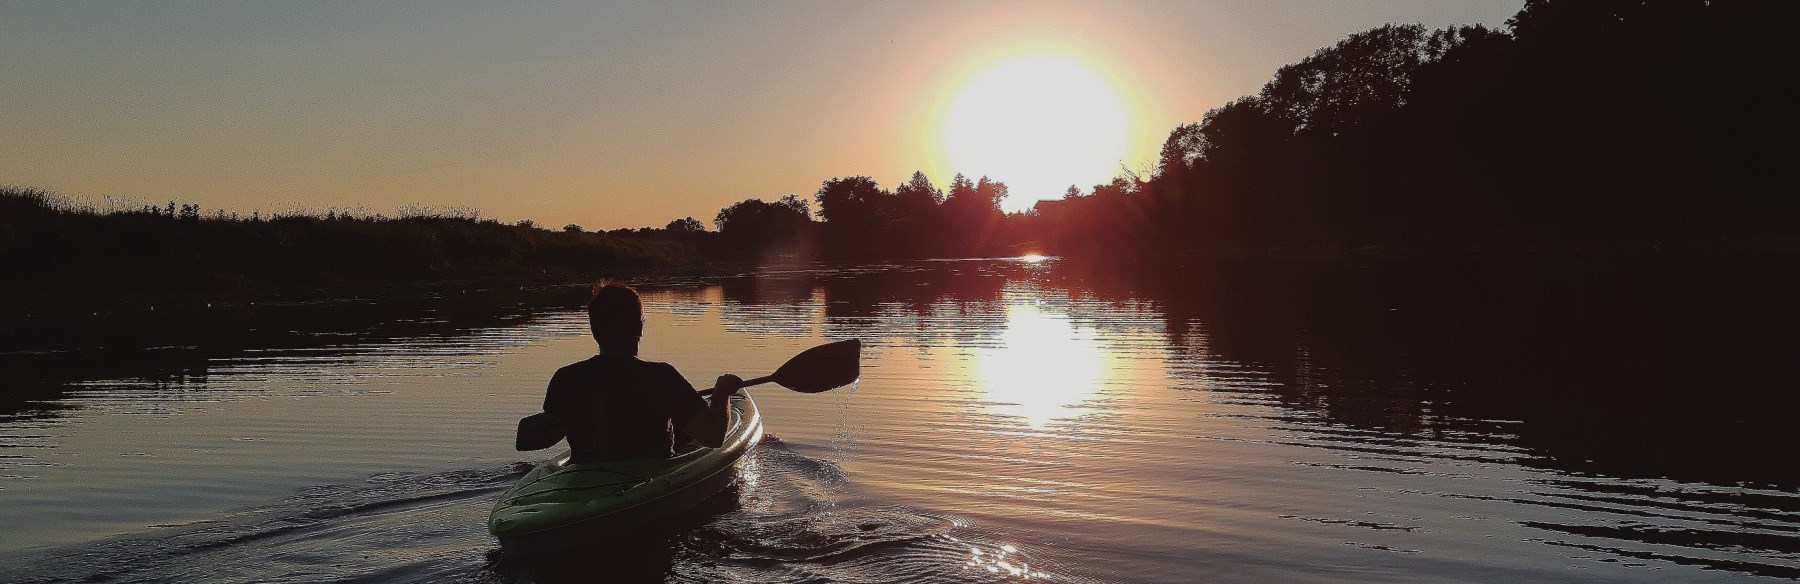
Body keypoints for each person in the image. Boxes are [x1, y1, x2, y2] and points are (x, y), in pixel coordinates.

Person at [543, 283, 741, 462]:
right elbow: (714, 437)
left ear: (594, 329)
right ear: (640, 327)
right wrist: (722, 393)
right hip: (649, 479)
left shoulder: (565, 379)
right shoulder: (662, 377)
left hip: (587, 481)